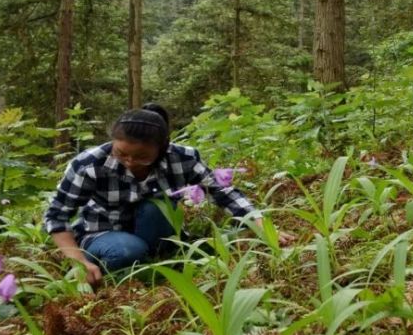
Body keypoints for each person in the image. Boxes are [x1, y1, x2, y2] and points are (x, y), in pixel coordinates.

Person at [44, 103, 292, 286]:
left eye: (142, 156)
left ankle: (160, 262)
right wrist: (78, 262)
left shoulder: (182, 158)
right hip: (101, 233)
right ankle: (124, 273)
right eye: (122, 153)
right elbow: (57, 216)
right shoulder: (89, 165)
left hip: (156, 231)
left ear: (162, 148)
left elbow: (223, 192)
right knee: (127, 252)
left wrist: (264, 227)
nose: (130, 162)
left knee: (157, 205)